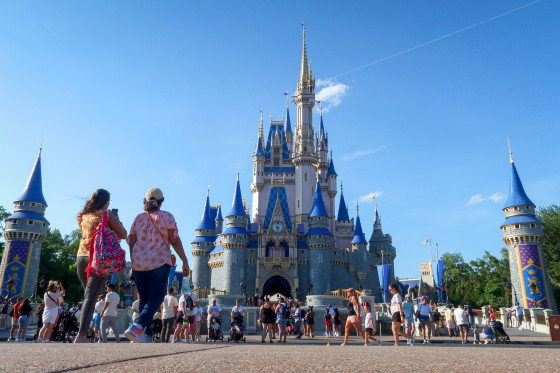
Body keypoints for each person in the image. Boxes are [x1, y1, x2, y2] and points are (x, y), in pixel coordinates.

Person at [125, 188, 190, 343]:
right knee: (157, 296)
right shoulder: (166, 216)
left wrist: (134, 260)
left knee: (145, 298)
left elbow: (131, 242)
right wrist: (185, 261)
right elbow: (174, 240)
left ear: (145, 201)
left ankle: (145, 334)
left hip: (139, 264)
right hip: (159, 262)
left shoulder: (138, 219)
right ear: (161, 202)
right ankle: (138, 325)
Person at [74, 189, 127, 343]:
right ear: (106, 202)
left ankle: (85, 330)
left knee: (88, 296)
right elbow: (123, 234)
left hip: (81, 257)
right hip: (98, 258)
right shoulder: (106, 214)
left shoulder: (84, 215)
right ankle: (81, 335)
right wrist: (116, 220)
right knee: (91, 296)